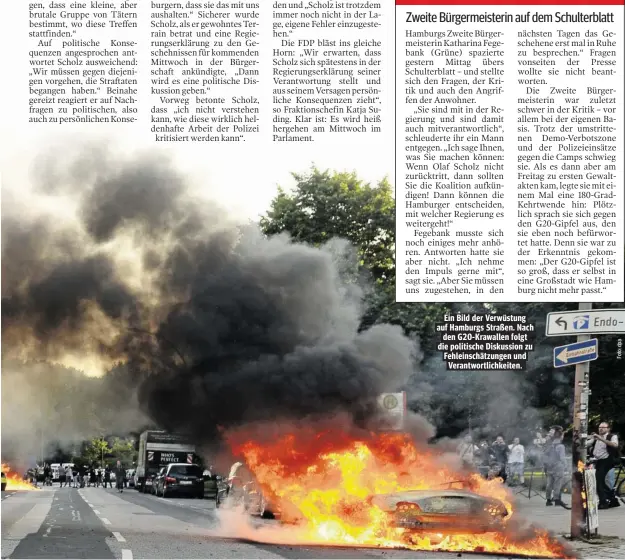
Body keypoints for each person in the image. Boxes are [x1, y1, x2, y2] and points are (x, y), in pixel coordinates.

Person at [588, 421, 620, 509]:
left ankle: (603, 502)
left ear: (608, 429)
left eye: (603, 427)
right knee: (599, 481)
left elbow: (615, 445)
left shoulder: (612, 436)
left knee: (598, 481)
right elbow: (587, 444)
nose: (601, 429)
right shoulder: (596, 437)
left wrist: (601, 438)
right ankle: (613, 500)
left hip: (607, 460)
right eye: (599, 427)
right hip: (598, 461)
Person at [543, 426, 568, 508]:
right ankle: (557, 500)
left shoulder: (550, 445)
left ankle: (548, 500)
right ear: (560, 436)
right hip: (558, 466)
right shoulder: (561, 446)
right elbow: (562, 458)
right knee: (557, 484)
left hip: (550, 466)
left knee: (549, 484)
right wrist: (566, 466)